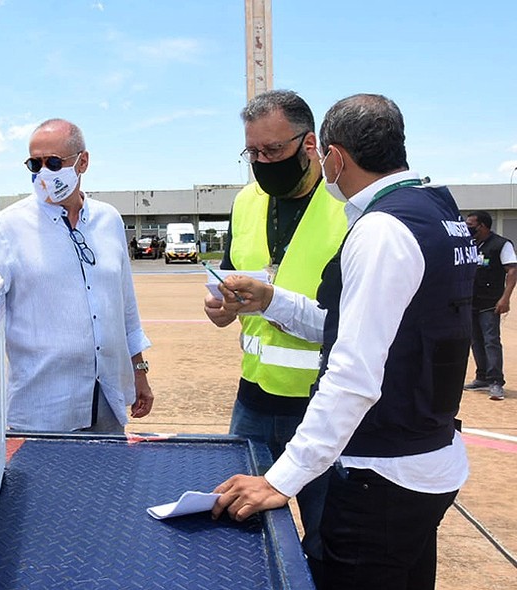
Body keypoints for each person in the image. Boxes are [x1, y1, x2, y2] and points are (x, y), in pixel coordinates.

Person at [211, 94, 476, 590]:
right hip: (426, 456)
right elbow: (358, 325)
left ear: (332, 157)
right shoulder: (436, 211)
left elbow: (353, 374)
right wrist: (271, 301)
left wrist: (280, 479)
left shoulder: (381, 229)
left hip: (380, 471)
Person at [203, 89, 347, 570]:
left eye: (273, 150)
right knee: (240, 526)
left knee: (328, 540)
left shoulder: (348, 207)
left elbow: (351, 324)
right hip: (254, 400)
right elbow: (230, 274)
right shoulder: (246, 201)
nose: (263, 162)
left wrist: (271, 301)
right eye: (253, 153)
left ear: (310, 144)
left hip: (323, 406)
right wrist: (222, 307)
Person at [0, 118, 153, 433]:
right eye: (34, 164)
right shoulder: (6, 230)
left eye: (53, 163)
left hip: (106, 400)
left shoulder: (109, 221)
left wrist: (139, 371)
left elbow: (125, 307)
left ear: (83, 162)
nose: (43, 174)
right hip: (41, 410)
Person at [464, 210, 517, 400]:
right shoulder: (470, 244)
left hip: (490, 302)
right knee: (476, 341)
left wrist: (505, 298)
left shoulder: (501, 244)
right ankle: (482, 377)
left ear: (483, 226)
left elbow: (512, 271)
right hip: (471, 301)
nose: (468, 229)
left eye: (471, 225)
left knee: (491, 341)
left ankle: (495, 381)